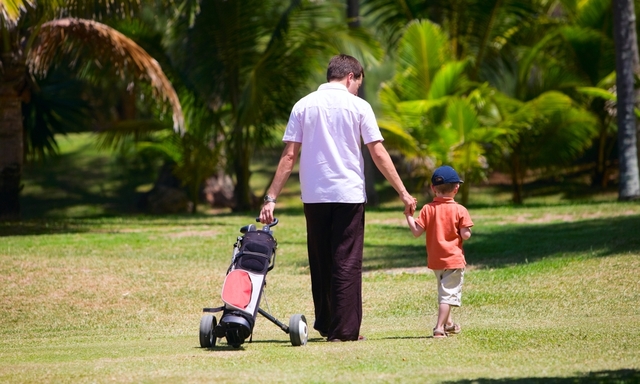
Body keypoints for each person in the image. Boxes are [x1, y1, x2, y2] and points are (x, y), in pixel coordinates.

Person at [259, 54, 417, 342]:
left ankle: (328, 324)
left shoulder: (303, 105)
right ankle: (344, 331)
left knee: (321, 261)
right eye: (358, 83)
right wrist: (403, 192)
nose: (357, 88)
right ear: (350, 77)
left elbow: (289, 155)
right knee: (346, 260)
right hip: (348, 194)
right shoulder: (359, 106)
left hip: (314, 195)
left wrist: (271, 197)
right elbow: (378, 153)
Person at [405, 165, 473, 338]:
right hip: (453, 260)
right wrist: (464, 230)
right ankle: (439, 328)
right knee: (448, 295)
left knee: (444, 292)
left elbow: (416, 232)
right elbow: (466, 235)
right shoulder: (460, 210)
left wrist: (408, 215)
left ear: (433, 188)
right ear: (456, 188)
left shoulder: (428, 209)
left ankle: (449, 324)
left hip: (436, 261)